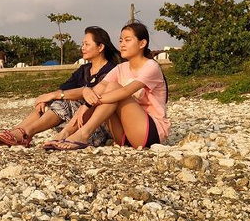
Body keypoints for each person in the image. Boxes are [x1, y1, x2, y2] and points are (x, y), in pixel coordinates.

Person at [0, 26, 121, 148]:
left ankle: (25, 134)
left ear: (100, 47)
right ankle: (15, 132)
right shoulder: (84, 70)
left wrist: (56, 95)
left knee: (63, 101)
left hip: (95, 126)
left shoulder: (111, 70)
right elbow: (64, 88)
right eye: (82, 44)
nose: (82, 48)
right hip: (74, 121)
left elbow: (93, 93)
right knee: (52, 102)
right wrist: (48, 98)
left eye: (87, 44)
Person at [49, 22, 170, 150]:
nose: (122, 44)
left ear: (142, 43)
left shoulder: (151, 66)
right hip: (124, 137)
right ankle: (65, 133)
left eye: (127, 40)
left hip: (149, 133)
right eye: (121, 40)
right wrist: (87, 98)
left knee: (113, 87)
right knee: (103, 89)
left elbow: (126, 91)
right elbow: (98, 89)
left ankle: (83, 134)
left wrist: (90, 104)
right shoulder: (120, 68)